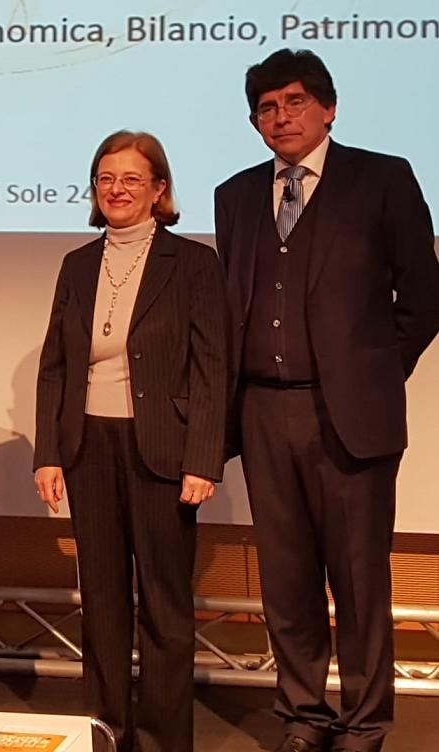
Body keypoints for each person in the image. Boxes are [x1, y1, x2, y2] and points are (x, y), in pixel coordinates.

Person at [215, 49, 439, 752]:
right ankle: (303, 716)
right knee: (286, 580)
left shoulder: (382, 178)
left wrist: (373, 372)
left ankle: (364, 722)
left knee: (359, 579)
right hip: (261, 410)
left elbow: (423, 297)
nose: (280, 117)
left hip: (349, 416)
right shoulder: (234, 194)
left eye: (294, 102)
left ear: (328, 108)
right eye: (266, 108)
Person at [34, 131, 229, 752]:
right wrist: (48, 452)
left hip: (164, 450)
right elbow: (55, 366)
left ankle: (164, 740)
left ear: (159, 189)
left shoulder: (193, 263)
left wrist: (204, 458)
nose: (116, 190)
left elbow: (212, 367)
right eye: (106, 178)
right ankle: (107, 733)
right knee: (103, 602)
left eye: (131, 180)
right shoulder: (77, 264)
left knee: (166, 607)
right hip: (88, 446)